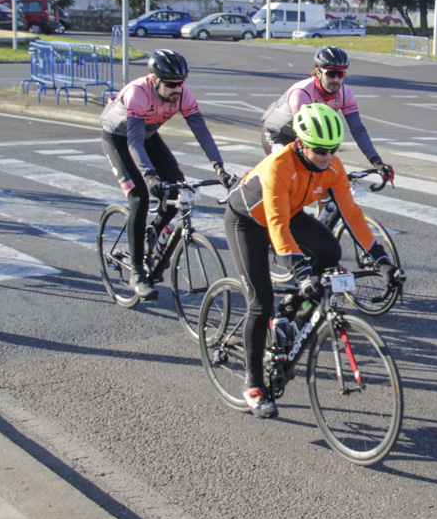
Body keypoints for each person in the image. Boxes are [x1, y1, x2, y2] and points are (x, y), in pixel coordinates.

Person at [224, 102, 402, 418]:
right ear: (302, 143)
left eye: (332, 148)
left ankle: (288, 314)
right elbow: (276, 224)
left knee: (330, 251)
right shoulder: (279, 164)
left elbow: (352, 215)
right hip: (248, 221)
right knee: (259, 302)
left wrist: (383, 261)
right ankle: (253, 383)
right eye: (319, 148)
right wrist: (301, 272)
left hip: (287, 213)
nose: (326, 155)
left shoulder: (333, 168)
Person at [100, 49, 233, 300]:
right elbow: (134, 142)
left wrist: (219, 167)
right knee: (139, 198)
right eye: (171, 84)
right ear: (154, 79)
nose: (177, 89)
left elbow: (201, 132)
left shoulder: (183, 95)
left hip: (148, 136)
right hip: (120, 139)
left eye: (181, 83)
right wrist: (150, 177)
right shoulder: (137, 94)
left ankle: (153, 231)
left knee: (177, 190)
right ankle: (137, 272)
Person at [261, 46, 394, 184]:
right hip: (278, 133)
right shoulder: (301, 93)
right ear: (318, 72)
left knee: (326, 183)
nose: (336, 79)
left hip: (310, 138)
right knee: (290, 175)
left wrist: (376, 161)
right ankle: (250, 187)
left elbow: (357, 128)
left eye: (340, 74)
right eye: (331, 74)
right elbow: (305, 131)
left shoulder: (345, 93)